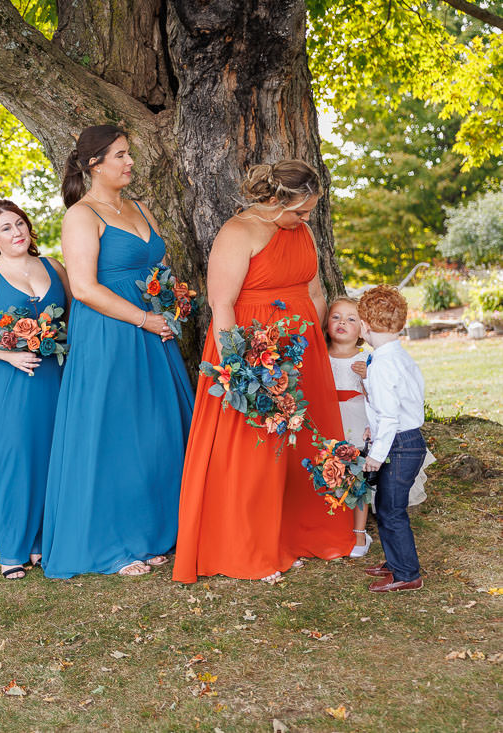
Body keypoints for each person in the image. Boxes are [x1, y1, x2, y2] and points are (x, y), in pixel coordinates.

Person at [174, 160, 355, 584]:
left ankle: (303, 532)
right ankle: (249, 544)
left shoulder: (302, 231)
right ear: (275, 200)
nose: (306, 218)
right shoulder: (237, 233)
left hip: (302, 348)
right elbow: (221, 305)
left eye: (310, 211)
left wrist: (322, 345)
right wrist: (239, 368)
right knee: (255, 452)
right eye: (300, 210)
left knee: (304, 443)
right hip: (254, 351)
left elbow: (314, 289)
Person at [41, 125, 195, 579]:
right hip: (111, 333)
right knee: (115, 435)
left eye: (130, 155)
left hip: (154, 331)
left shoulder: (139, 207)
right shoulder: (81, 216)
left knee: (155, 432)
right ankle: (115, 542)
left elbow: (161, 267)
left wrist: (169, 305)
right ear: (94, 165)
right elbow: (85, 287)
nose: (130, 163)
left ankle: (155, 532)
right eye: (121, 156)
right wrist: (145, 317)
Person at [0, 200, 71, 579]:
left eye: (20, 224)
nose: (16, 232)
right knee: (13, 457)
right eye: (5, 228)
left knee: (49, 453)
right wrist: (10, 356)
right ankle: (11, 549)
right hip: (6, 378)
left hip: (52, 376)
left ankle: (40, 541)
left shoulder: (53, 267)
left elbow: (74, 314)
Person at [357, 286, 428, 592]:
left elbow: (390, 417)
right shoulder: (398, 356)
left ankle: (407, 573)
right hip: (407, 439)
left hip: (399, 445)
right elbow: (405, 401)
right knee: (386, 503)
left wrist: (375, 454)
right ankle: (397, 559)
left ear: (365, 326)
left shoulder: (383, 364)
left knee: (390, 508)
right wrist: (374, 428)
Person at [327, 296, 373, 557]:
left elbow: (379, 395)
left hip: (356, 423)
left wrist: (368, 376)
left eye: (351, 319)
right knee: (332, 475)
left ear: (362, 330)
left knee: (357, 478)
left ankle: (359, 533)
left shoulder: (366, 358)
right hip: (329, 422)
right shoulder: (319, 356)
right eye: (336, 317)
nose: (342, 322)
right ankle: (333, 526)